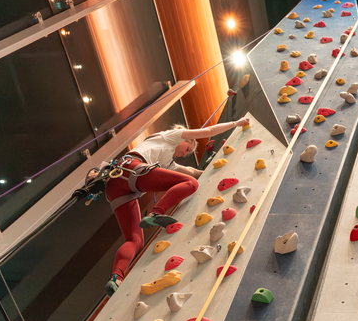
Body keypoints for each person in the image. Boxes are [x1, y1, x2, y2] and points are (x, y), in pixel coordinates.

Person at [104, 117, 250, 296]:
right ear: (186, 139)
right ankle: (156, 213)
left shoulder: (167, 162)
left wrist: (214, 173)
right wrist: (235, 123)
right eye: (187, 149)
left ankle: (116, 278)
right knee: (191, 184)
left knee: (135, 241)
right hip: (131, 169)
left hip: (117, 187)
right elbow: (209, 131)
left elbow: (191, 171)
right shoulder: (170, 136)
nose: (184, 154)